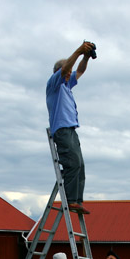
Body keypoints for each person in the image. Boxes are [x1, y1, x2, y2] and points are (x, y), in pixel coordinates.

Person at [46, 41, 96, 215]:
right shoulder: (54, 84)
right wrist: (78, 50)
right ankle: (70, 200)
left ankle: (77, 201)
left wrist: (86, 56)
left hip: (71, 129)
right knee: (72, 162)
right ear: (61, 72)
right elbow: (67, 68)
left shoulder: (67, 85)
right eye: (66, 73)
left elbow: (80, 70)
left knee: (80, 165)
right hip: (62, 130)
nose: (69, 75)